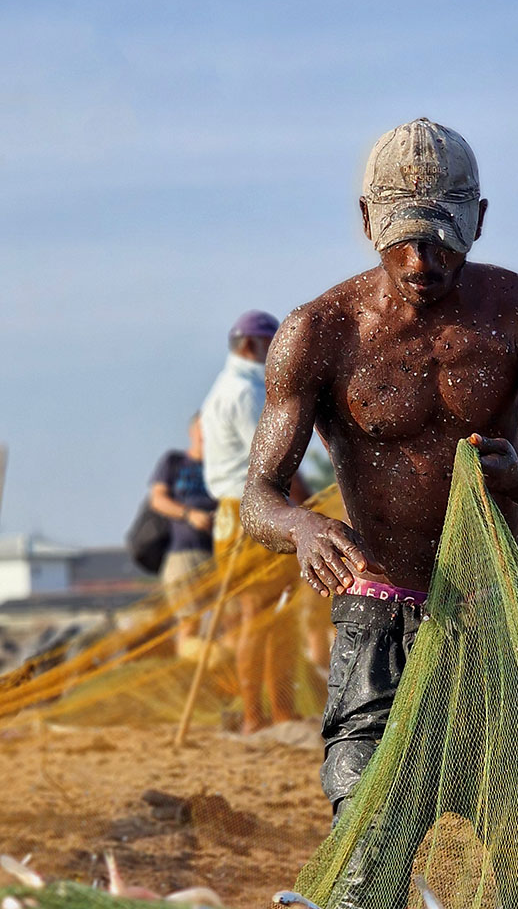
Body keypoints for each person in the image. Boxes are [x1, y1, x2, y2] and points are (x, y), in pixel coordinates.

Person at [241, 118, 518, 879]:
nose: (421, 261)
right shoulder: (320, 331)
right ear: (367, 221)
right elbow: (259, 498)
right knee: (366, 855)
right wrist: (303, 530)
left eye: (442, 237)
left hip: (494, 615)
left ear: (477, 221)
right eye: (402, 237)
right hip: (378, 617)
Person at [201, 310, 311, 733]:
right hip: (250, 509)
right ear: (251, 345)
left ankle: (277, 710)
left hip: (241, 510)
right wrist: (305, 508)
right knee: (258, 614)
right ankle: (254, 715)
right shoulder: (244, 391)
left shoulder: (231, 387)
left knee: (274, 614)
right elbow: (275, 458)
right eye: (271, 344)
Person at [149, 413, 217, 658]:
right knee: (189, 622)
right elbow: (157, 499)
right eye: (201, 429)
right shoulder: (174, 462)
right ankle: (190, 669)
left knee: (224, 623)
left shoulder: (220, 466)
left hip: (218, 554)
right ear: (192, 432)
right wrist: (189, 514)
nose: (205, 435)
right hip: (184, 554)